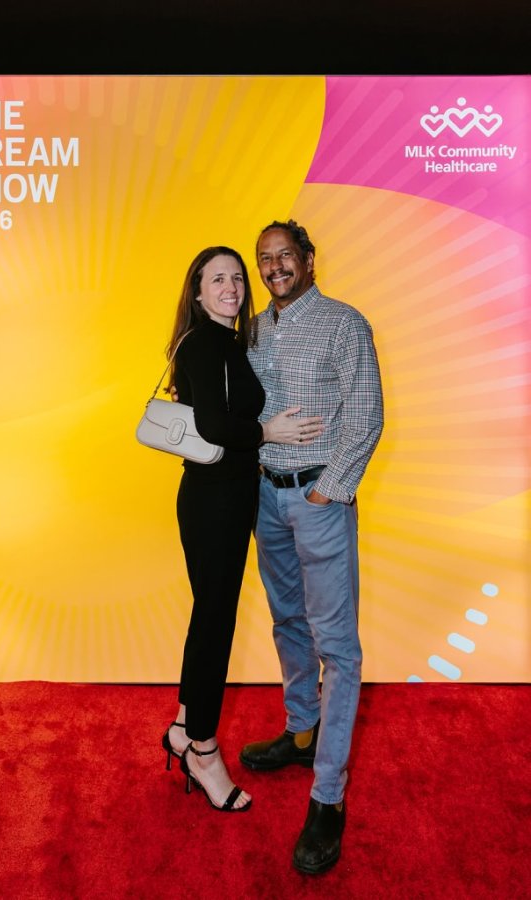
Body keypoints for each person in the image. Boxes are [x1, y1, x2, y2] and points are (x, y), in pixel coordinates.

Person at [240, 221, 383, 871]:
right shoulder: (253, 328)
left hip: (318, 500)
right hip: (266, 497)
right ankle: (302, 730)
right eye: (264, 259)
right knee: (287, 620)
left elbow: (365, 413)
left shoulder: (344, 323)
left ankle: (328, 795)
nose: (274, 267)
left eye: (284, 256)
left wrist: (330, 490)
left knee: (336, 645)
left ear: (308, 259)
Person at [161, 245, 324, 813]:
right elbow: (210, 422)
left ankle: (184, 725)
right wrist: (268, 433)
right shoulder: (208, 342)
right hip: (215, 502)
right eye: (217, 279)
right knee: (214, 623)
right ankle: (203, 751)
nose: (230, 287)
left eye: (236, 277)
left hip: (221, 497)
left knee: (208, 616)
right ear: (199, 291)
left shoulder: (225, 341)